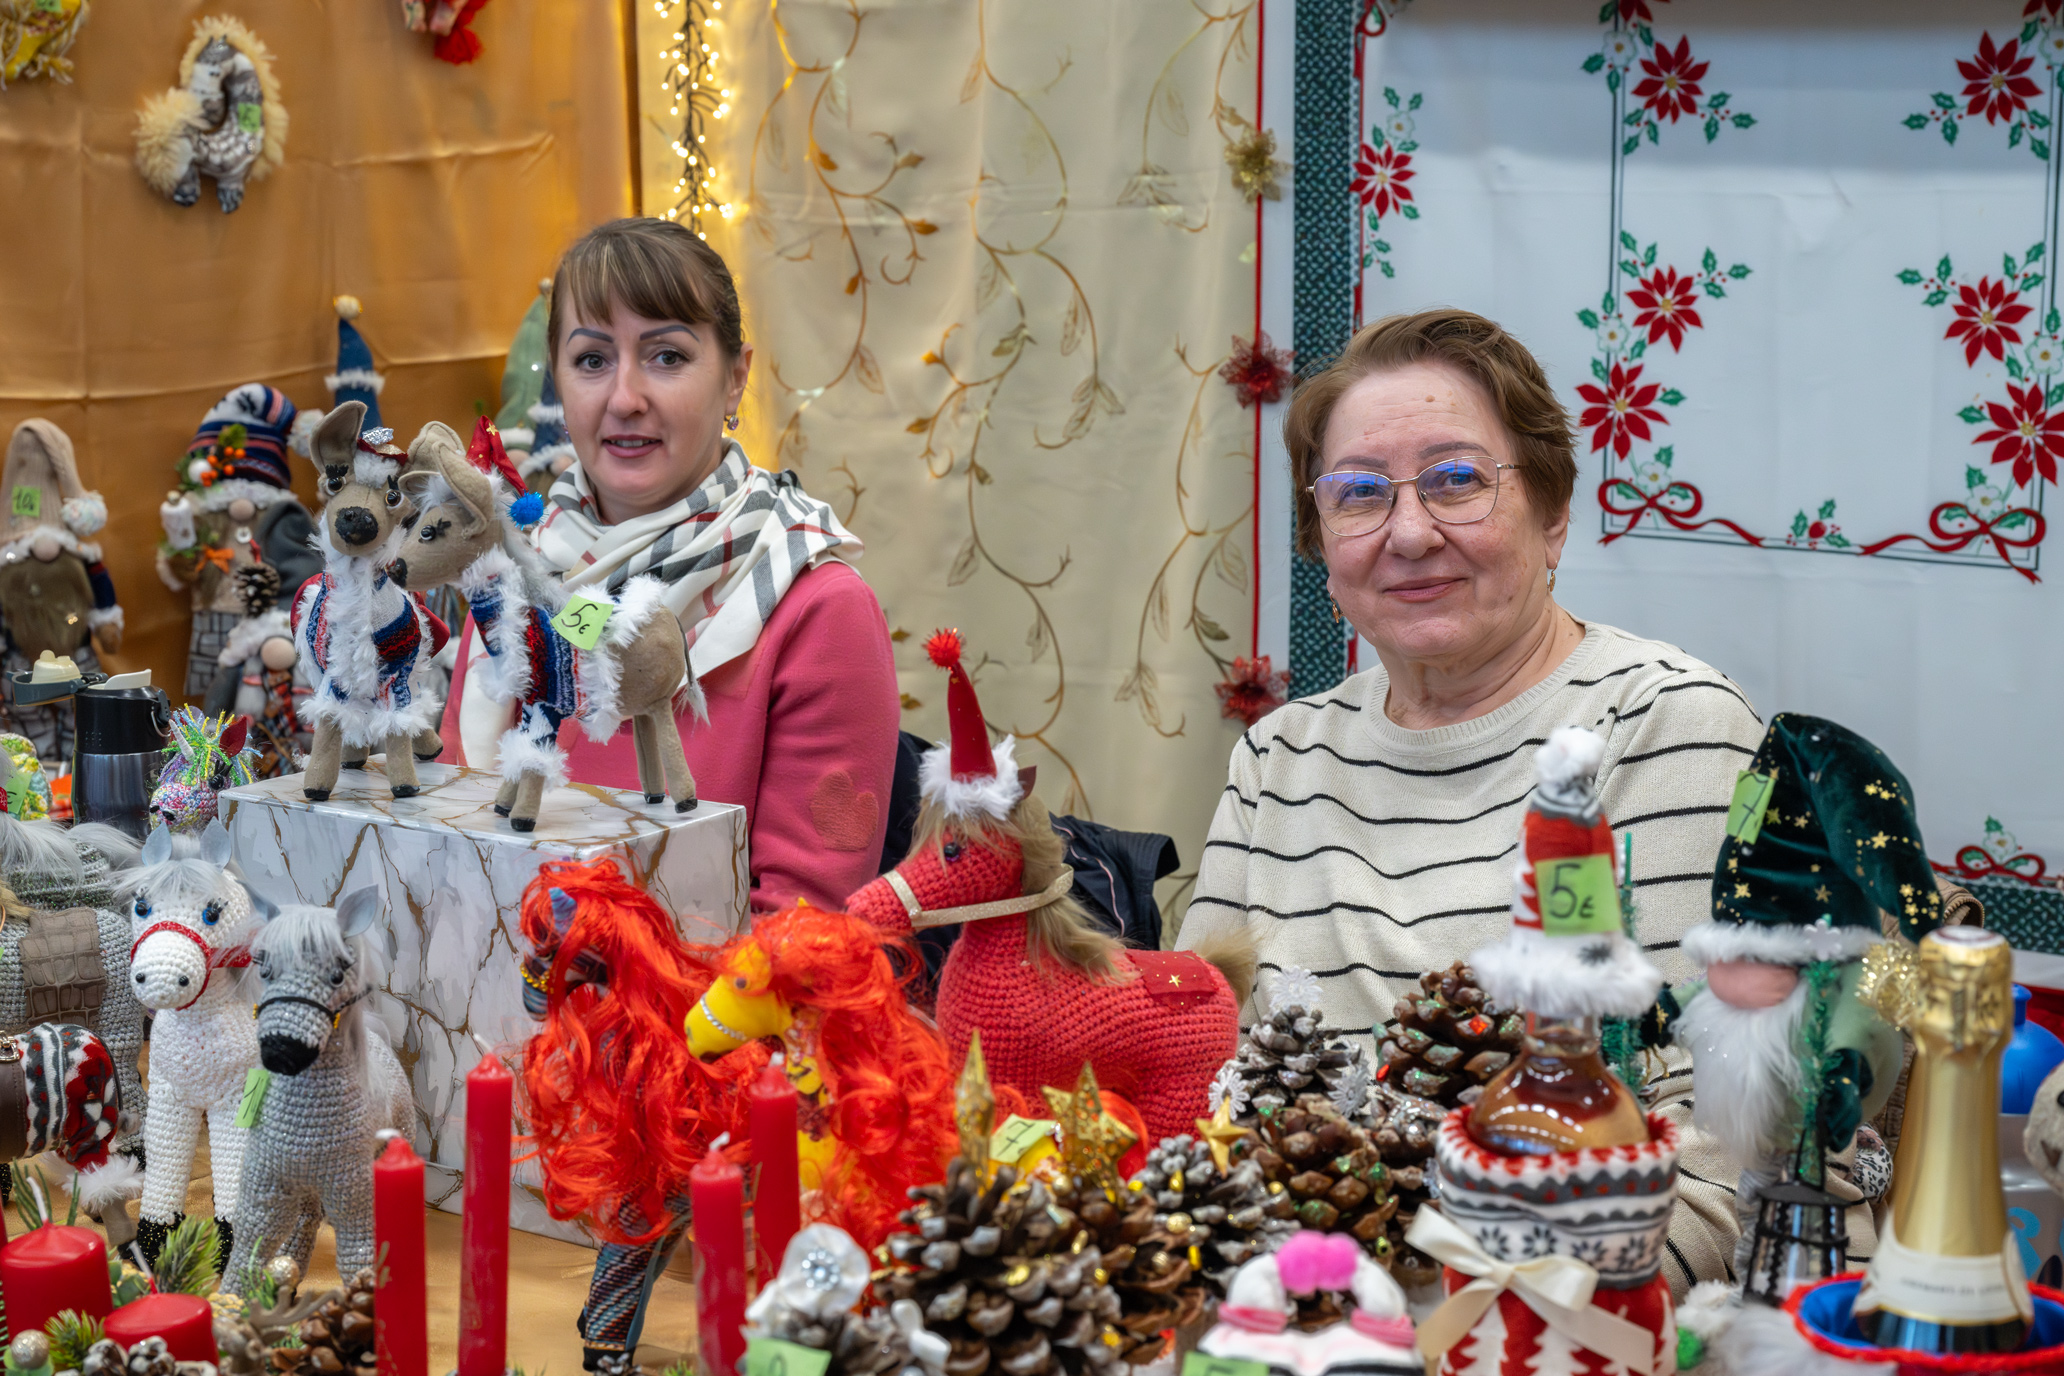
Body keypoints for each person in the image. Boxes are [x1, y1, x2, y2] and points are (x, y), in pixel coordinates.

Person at [1176, 308, 1765, 1292]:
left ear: (1553, 514)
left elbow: (1723, 1149)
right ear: (1322, 541)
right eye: (1360, 493)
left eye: (1456, 480)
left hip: (1553, 1317)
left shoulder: (1664, 725)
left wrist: (1509, 1322)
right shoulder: (1278, 755)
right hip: (1284, 1306)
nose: (1410, 532)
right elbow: (1200, 1078)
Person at [438, 217, 899, 912]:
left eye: (667, 356)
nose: (625, 398)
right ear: (559, 378)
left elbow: (802, 935)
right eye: (592, 360)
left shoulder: (819, 609)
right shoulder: (518, 577)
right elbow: (441, 850)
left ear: (735, 378)